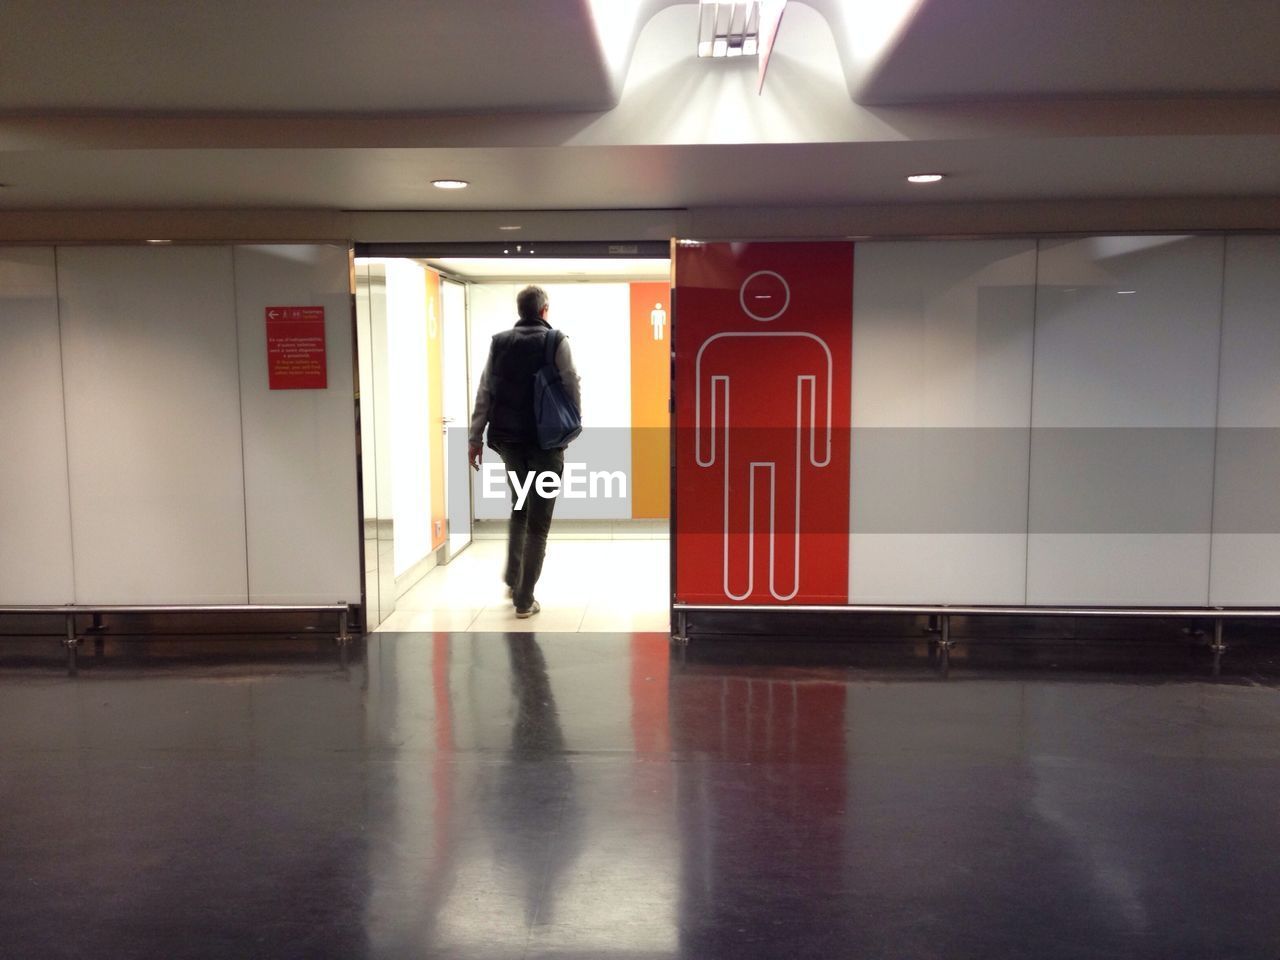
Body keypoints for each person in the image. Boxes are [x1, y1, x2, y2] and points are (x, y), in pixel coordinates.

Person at [468, 285, 582, 618]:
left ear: (521, 311)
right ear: (544, 310)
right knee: (539, 522)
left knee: (520, 506)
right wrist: (573, 421)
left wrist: (475, 436)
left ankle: (513, 577)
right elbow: (571, 380)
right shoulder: (556, 340)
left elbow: (485, 390)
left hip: (509, 442)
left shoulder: (499, 342)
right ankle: (524, 598)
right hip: (546, 443)